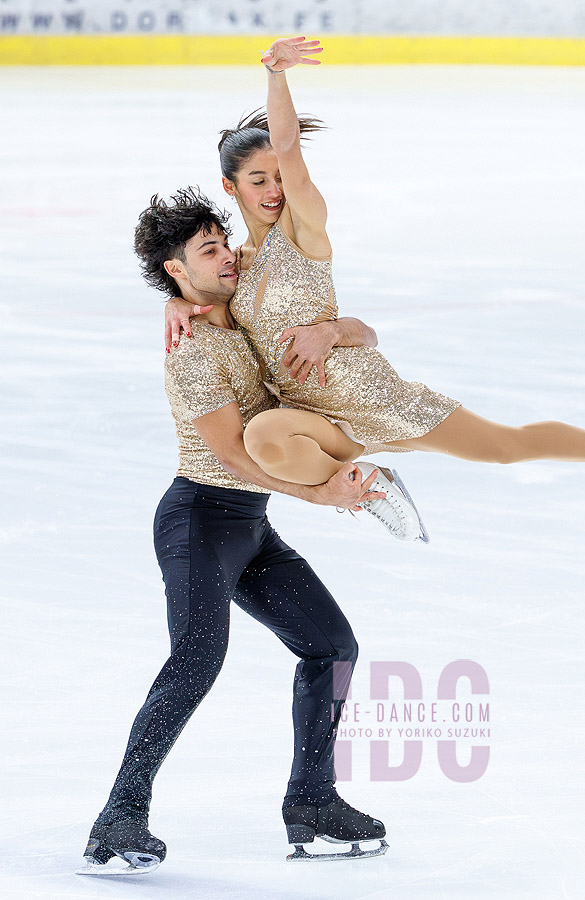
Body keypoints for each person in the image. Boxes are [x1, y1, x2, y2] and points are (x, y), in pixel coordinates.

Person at [165, 36, 585, 522]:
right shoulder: (234, 266)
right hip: (317, 420)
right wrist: (172, 303)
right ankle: (373, 488)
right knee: (265, 439)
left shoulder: (304, 231)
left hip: (377, 397)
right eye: (256, 180)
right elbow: (200, 292)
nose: (273, 189)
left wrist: (275, 74)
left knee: (505, 448)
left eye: (277, 177)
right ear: (230, 186)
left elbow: (288, 148)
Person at [80, 188, 390, 876]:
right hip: (199, 521)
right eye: (208, 252)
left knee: (331, 645)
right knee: (195, 662)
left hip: (250, 526)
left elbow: (365, 331)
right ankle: (119, 814)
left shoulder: (247, 300)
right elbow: (230, 454)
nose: (229, 257)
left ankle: (312, 801)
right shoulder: (192, 350)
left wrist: (334, 331)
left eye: (226, 242)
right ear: (176, 272)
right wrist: (317, 491)